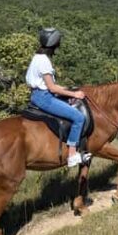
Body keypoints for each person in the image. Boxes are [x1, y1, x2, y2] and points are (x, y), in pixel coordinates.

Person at [25, 28, 91, 166]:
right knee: (78, 117)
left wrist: (66, 89)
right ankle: (72, 155)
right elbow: (52, 87)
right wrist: (74, 94)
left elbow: (50, 85)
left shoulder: (37, 56)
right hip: (44, 97)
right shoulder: (44, 61)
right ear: (55, 44)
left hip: (38, 94)